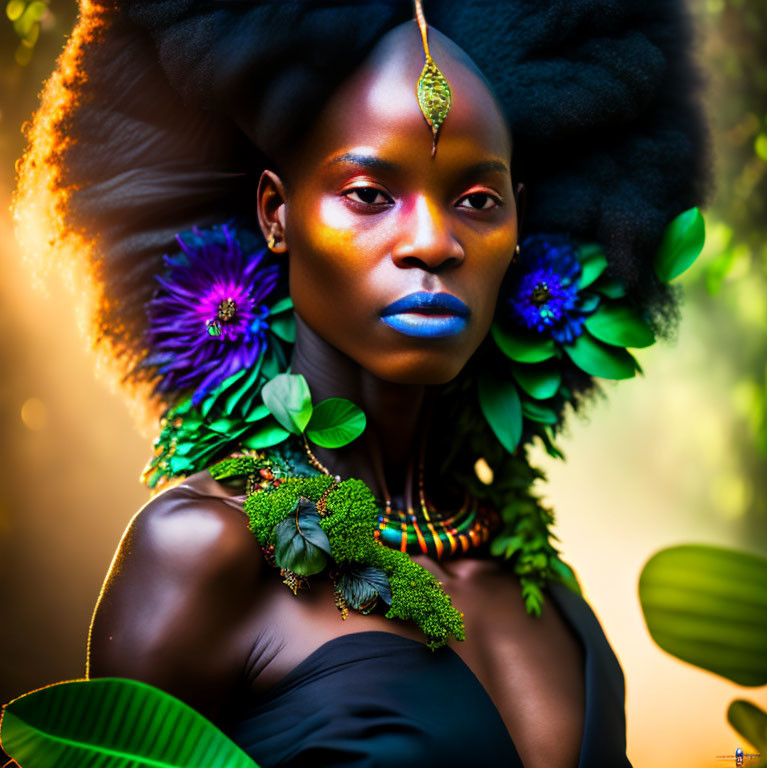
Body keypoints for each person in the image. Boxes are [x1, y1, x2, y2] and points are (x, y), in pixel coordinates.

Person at [8, 1, 709, 767]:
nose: (434, 242)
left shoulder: (545, 586)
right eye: (371, 194)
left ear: (521, 227)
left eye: (478, 201)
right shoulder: (208, 552)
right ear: (278, 215)